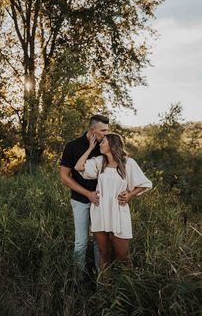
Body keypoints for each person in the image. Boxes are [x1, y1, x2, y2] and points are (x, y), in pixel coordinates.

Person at [74, 133, 152, 268]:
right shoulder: (99, 161)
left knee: (123, 257)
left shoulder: (128, 163)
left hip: (118, 210)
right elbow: (78, 167)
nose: (100, 144)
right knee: (104, 253)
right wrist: (89, 148)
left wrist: (129, 195)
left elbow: (144, 184)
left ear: (112, 144)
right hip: (100, 210)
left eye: (103, 142)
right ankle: (104, 287)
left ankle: (128, 286)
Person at [60, 114, 109, 274]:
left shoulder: (105, 146)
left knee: (99, 242)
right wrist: (87, 193)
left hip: (101, 202)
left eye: (107, 130)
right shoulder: (72, 146)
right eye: (103, 130)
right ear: (92, 129)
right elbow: (64, 177)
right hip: (80, 200)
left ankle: (99, 277)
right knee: (81, 242)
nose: (106, 134)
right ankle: (76, 278)